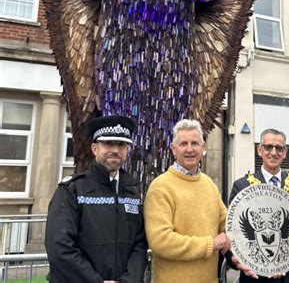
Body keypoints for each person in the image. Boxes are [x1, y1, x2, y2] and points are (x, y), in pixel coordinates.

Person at [45, 115, 147, 283]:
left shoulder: (133, 191)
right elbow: (60, 247)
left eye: (121, 144)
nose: (115, 150)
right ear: (94, 148)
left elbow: (140, 244)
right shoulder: (72, 190)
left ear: (127, 150)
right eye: (108, 143)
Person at [144, 119, 230, 282]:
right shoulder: (161, 187)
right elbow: (161, 241)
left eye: (195, 143)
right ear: (173, 149)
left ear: (203, 148)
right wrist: (209, 244)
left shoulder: (209, 184)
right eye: (183, 143)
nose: (190, 149)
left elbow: (227, 224)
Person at [228, 128, 289, 282]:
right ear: (260, 150)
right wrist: (234, 260)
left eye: (279, 148)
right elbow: (231, 229)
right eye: (268, 147)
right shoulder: (242, 186)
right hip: (255, 276)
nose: (273, 153)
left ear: (285, 152)